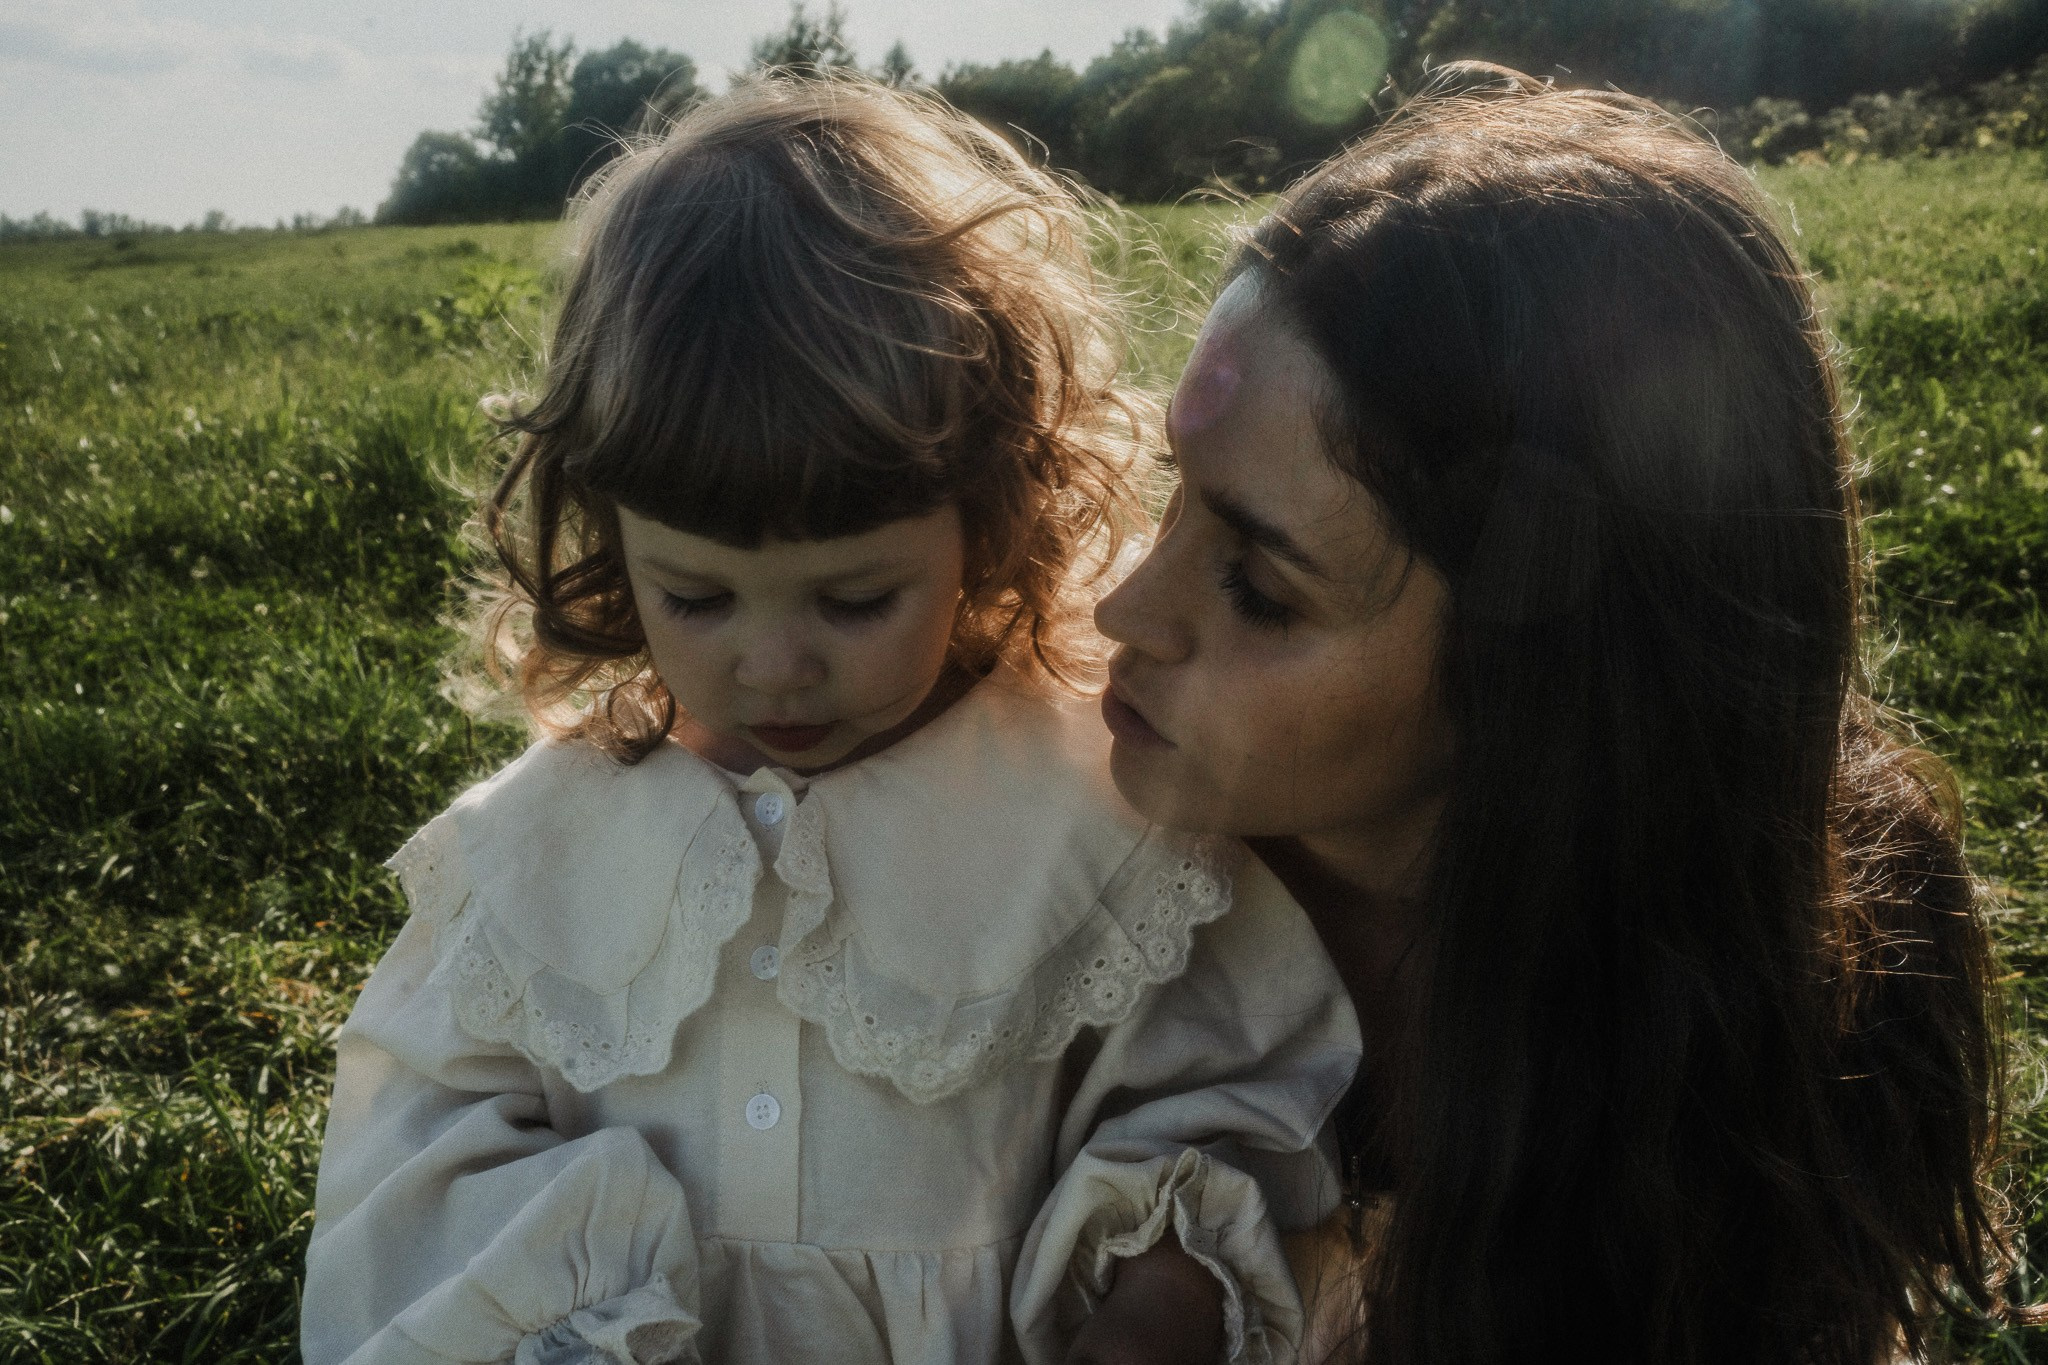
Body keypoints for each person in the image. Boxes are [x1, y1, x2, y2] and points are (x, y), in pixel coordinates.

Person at [300, 76, 1360, 1365]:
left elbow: (1235, 1094)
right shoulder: (533, 861)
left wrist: (1157, 1299)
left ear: (988, 525)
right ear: (607, 543)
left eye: (855, 599)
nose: (774, 667)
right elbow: (418, 1153)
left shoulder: (1092, 817)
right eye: (695, 596)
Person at [1093, 64, 2017, 1365]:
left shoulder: (1807, 1009)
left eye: (1256, 584)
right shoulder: (1065, 857)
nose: (1121, 608)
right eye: (1167, 495)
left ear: (1539, 684)